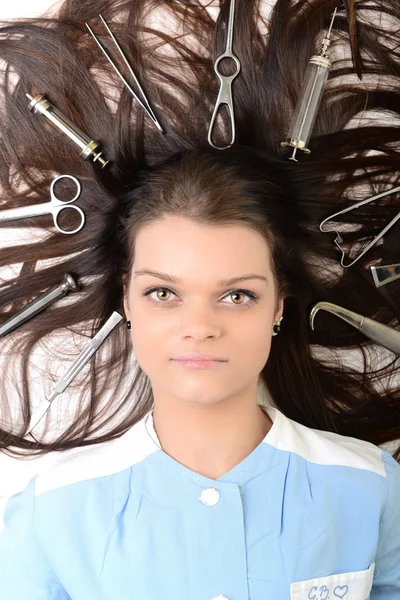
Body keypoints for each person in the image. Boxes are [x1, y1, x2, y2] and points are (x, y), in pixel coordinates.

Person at [0, 0, 399, 598]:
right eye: (164, 292)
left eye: (237, 295)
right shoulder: (49, 513)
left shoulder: (372, 490)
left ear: (280, 308)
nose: (199, 326)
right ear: (127, 304)